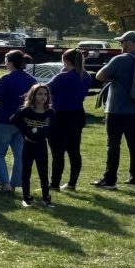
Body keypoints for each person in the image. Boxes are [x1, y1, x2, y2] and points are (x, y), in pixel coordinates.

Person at [93, 31, 135, 188]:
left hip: (117, 108)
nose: (121, 45)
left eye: (122, 42)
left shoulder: (120, 59)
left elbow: (100, 76)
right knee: (134, 143)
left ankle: (110, 179)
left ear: (130, 42)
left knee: (113, 144)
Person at [0, 50, 35, 194]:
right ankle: (16, 183)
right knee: (19, 154)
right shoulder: (31, 79)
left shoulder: (5, 79)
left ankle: (5, 184)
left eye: (5, 60)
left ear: (10, 62)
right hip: (23, 121)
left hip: (4, 120)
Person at [48, 49, 93, 191]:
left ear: (66, 60)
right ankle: (72, 182)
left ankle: (54, 183)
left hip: (60, 114)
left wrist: (61, 73)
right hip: (77, 114)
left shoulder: (62, 77)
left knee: (57, 151)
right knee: (74, 150)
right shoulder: (86, 76)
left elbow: (47, 89)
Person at [12, 83, 55, 208]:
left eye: (45, 94)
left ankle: (46, 197)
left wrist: (44, 133)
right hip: (28, 145)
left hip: (41, 145)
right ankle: (26, 197)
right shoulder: (26, 110)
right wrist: (25, 132)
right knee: (26, 172)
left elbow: (52, 127)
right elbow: (14, 120)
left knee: (43, 172)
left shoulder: (50, 112)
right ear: (33, 95)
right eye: (40, 94)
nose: (43, 97)